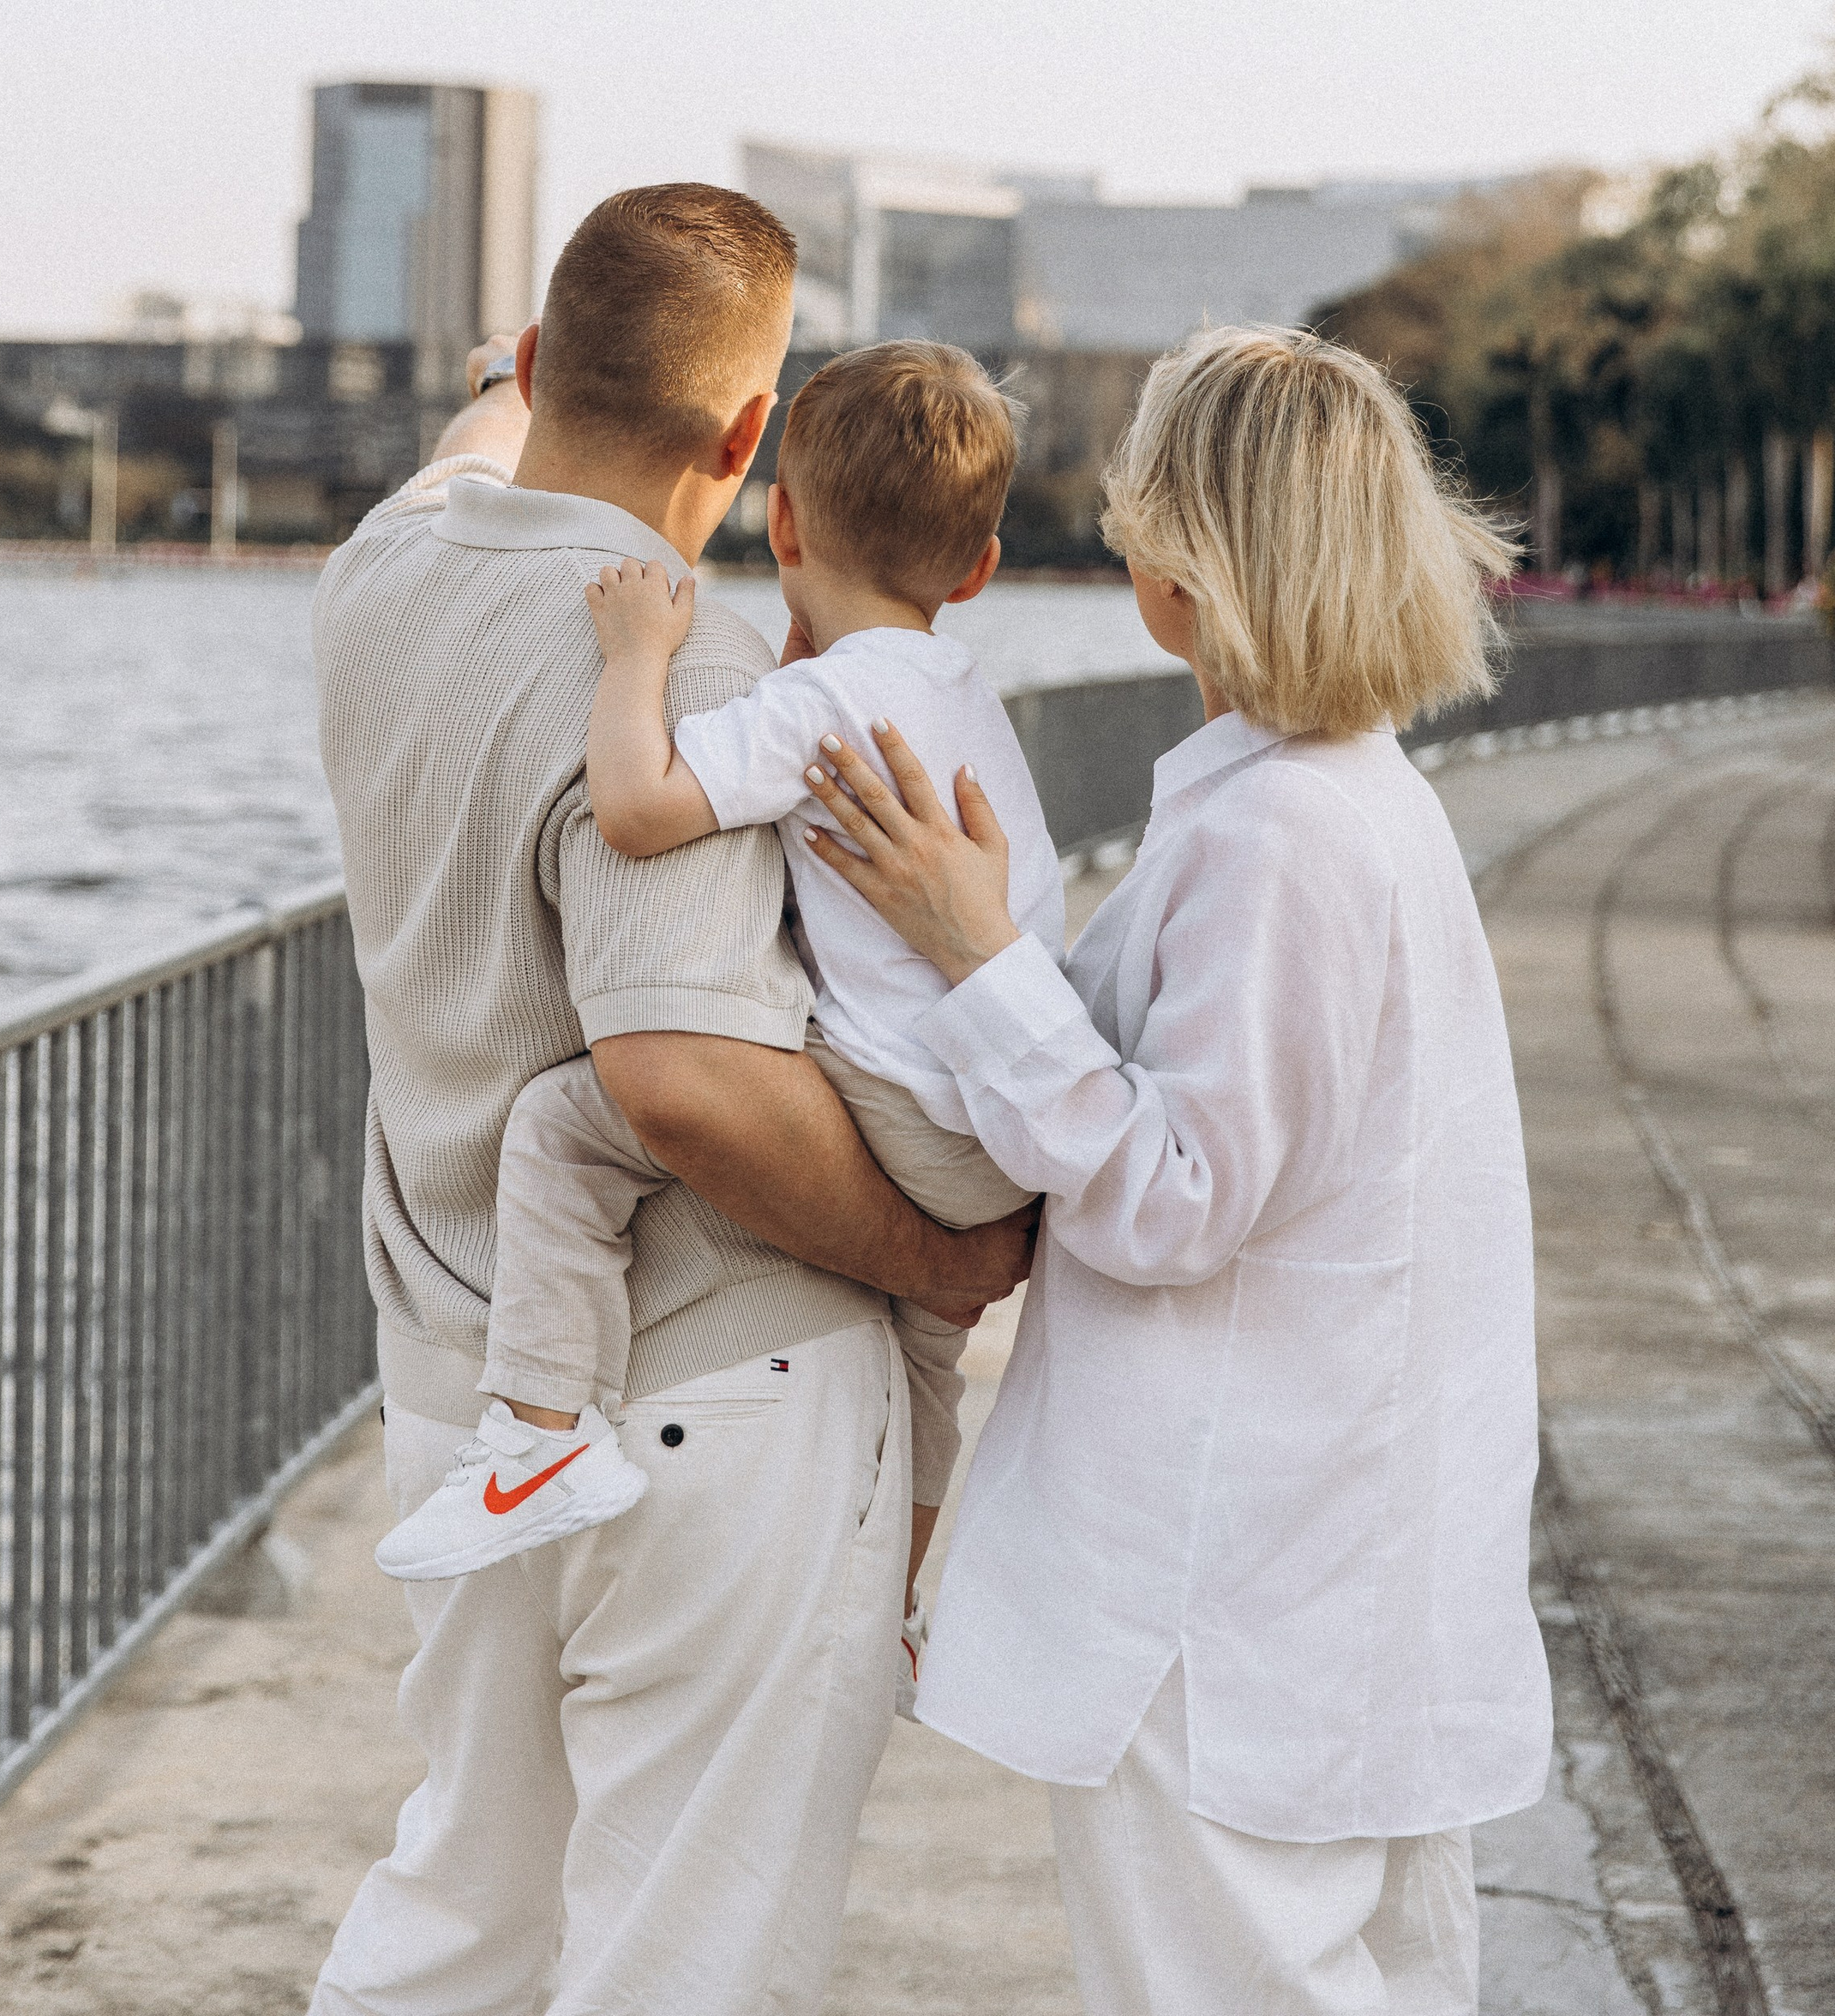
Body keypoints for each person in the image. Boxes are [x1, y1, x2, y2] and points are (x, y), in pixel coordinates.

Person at [305, 187, 1032, 2016]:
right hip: (715, 1395)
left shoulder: (379, 572)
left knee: (462, 1907)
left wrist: (494, 384)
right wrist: (933, 1269)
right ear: (744, 440)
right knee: (681, 1963)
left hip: (465, 1397)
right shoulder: (699, 678)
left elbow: (474, 447)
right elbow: (681, 1079)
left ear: (537, 361)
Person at [801, 324, 1552, 2016]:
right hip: (1340, 1566)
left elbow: (1172, 1198)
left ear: (1171, 575)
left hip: (1233, 1585)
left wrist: (974, 956)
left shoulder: (1277, 833)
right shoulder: (1356, 802)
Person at [371, 342, 1062, 1720]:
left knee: (568, 1127)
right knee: (929, 1354)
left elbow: (640, 809)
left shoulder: (806, 706)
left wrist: (640, 656)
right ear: (978, 567)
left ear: (782, 519)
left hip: (909, 1114)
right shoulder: (969, 693)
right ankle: (910, 1608)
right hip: (1006, 1111)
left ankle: (540, 1434)